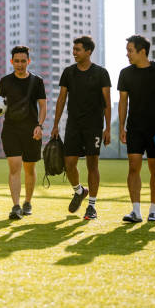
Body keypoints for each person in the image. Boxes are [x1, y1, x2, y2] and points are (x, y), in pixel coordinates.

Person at [51, 35, 111, 220]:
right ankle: (79, 191)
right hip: (73, 125)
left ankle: (91, 206)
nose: (74, 52)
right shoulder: (68, 72)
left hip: (93, 126)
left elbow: (107, 102)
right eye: (74, 49)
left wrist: (108, 128)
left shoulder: (101, 73)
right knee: (69, 164)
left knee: (92, 165)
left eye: (77, 49)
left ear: (88, 51)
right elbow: (61, 99)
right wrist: (55, 125)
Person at [0, 46, 46, 220]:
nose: (20, 64)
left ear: (29, 61)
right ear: (11, 62)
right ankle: (16, 206)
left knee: (29, 168)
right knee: (14, 167)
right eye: (16, 61)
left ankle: (27, 202)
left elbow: (43, 106)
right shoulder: (5, 81)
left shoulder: (37, 81)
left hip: (31, 131)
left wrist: (40, 125)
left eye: (23, 61)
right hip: (10, 129)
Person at [118, 35, 155, 222]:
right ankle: (135, 211)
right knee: (133, 166)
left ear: (142, 51)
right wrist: (121, 127)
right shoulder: (125, 73)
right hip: (135, 128)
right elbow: (123, 102)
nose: (127, 54)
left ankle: (153, 211)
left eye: (130, 51)